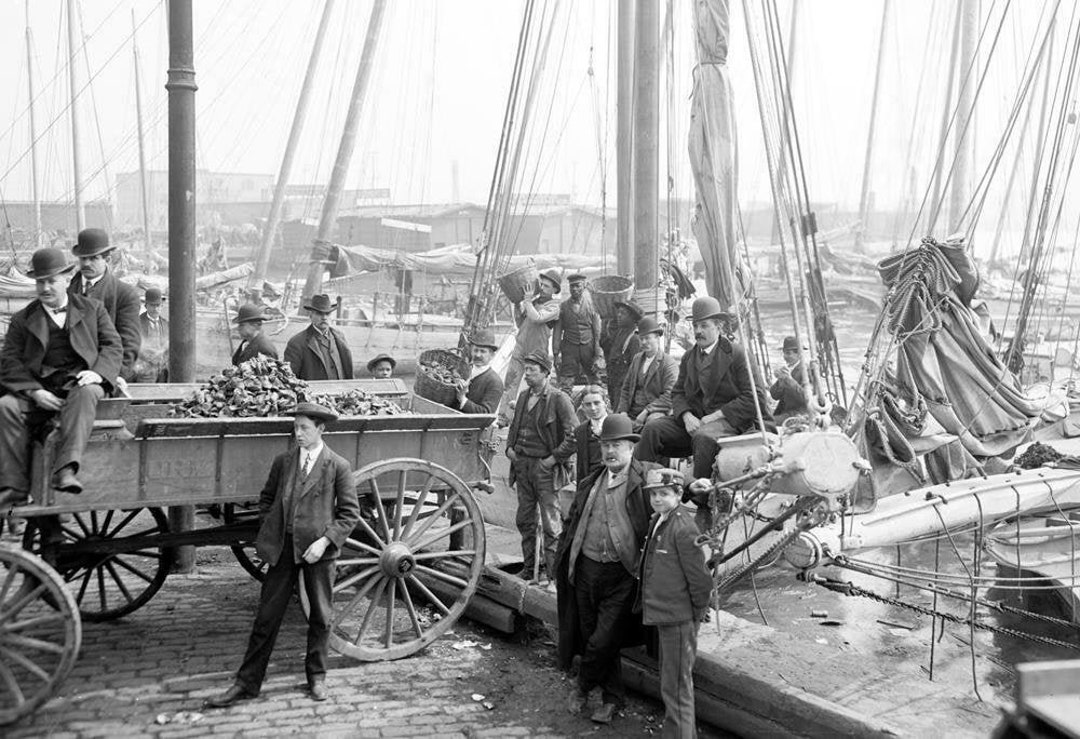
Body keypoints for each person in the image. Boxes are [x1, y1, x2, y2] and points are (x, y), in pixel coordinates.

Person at [205, 402, 360, 708]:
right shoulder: (284, 461)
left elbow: (349, 514)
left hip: (318, 553)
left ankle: (317, 676)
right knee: (266, 617)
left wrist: (325, 542)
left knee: (320, 615)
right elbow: (266, 498)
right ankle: (247, 683)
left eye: (304, 428)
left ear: (321, 429)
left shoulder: (337, 466)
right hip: (283, 550)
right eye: (295, 427)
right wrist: (271, 527)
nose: (298, 433)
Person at [556, 414, 660, 725]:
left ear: (631, 448)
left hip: (622, 575)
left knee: (603, 639)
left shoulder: (646, 482)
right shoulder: (590, 482)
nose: (610, 452)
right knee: (596, 639)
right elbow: (571, 524)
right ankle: (612, 699)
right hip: (586, 570)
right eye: (605, 446)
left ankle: (583, 686)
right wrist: (561, 560)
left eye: (616, 445)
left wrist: (698, 487)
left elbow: (676, 493)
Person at [0, 247, 123, 505]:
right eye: (40, 282)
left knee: (88, 391)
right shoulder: (22, 320)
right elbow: (9, 360)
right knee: (6, 406)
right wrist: (34, 391)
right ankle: (15, 486)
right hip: (40, 393)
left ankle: (66, 469)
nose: (45, 288)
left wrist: (98, 374)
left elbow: (113, 346)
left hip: (80, 386)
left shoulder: (92, 309)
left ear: (67, 279)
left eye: (51, 281)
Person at [636, 297, 772, 480]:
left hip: (733, 423)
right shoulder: (688, 358)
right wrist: (686, 416)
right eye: (696, 326)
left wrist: (715, 416)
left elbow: (755, 397)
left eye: (704, 326)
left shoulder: (737, 354)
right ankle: (639, 488)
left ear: (719, 326)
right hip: (695, 422)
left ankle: (703, 502)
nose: (698, 331)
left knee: (703, 437)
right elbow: (678, 393)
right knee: (652, 429)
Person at [637, 468, 713, 739]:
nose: (657, 499)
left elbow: (701, 580)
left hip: (679, 619)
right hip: (666, 615)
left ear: (679, 494)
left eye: (664, 494)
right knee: (672, 684)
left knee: (677, 687)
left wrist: (694, 616)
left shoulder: (682, 527)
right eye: (654, 494)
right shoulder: (660, 519)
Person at [505, 351, 576, 582]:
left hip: (545, 469)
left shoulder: (559, 399)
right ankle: (530, 568)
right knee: (525, 520)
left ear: (546, 372)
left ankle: (554, 579)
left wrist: (553, 459)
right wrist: (509, 449)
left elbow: (574, 436)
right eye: (525, 369)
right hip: (522, 466)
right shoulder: (524, 396)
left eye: (531, 370)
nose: (526, 374)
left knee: (551, 525)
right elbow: (515, 426)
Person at [67, 228, 141, 384]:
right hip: (68, 374)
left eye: (94, 258)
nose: (86, 263)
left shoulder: (124, 294)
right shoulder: (66, 291)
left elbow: (129, 342)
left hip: (105, 374)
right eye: (83, 258)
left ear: (107, 260)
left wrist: (113, 376)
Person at [498, 269, 562, 425]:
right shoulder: (533, 302)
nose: (543, 288)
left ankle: (534, 419)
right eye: (542, 284)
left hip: (536, 353)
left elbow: (537, 318)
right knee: (510, 382)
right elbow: (521, 324)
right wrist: (517, 305)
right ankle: (504, 417)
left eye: (547, 286)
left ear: (555, 290)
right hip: (520, 347)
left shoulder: (554, 307)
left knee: (534, 385)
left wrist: (527, 301)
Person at [616, 316, 678, 430]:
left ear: (657, 338)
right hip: (632, 410)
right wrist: (623, 411)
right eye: (641, 338)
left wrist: (646, 411)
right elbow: (626, 388)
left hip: (655, 412)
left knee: (652, 423)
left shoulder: (668, 363)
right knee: (614, 423)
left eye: (648, 338)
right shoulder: (637, 359)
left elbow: (670, 395)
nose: (644, 342)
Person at [284, 294, 353, 380]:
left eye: (327, 314)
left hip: (341, 391)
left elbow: (348, 370)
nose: (324, 318)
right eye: (319, 313)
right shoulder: (297, 343)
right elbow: (289, 379)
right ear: (311, 315)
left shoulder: (339, 337)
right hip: (313, 392)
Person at [552, 274, 602, 391]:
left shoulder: (592, 306)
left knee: (595, 380)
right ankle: (565, 407)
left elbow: (597, 331)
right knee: (566, 382)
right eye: (572, 286)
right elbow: (557, 332)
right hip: (569, 348)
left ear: (584, 286)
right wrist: (556, 354)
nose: (574, 289)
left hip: (588, 347)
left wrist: (598, 354)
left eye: (577, 286)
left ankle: (599, 404)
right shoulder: (563, 307)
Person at [554, 385, 609, 487]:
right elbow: (568, 448)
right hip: (590, 482)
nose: (593, 408)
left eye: (597, 403)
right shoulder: (581, 431)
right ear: (583, 407)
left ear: (606, 403)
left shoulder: (619, 425)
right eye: (588, 404)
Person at [453, 328, 504, 414]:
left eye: (483, 351)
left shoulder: (495, 382)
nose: (478, 355)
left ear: (492, 355)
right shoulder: (462, 371)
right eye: (475, 350)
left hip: (471, 426)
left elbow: (486, 413)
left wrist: (462, 399)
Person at [600, 301, 642, 404]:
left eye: (623, 313)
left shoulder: (634, 339)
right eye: (618, 312)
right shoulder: (620, 332)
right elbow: (606, 346)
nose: (618, 315)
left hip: (624, 384)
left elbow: (635, 368)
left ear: (633, 318)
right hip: (614, 380)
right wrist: (604, 324)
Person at [770, 335, 809, 423]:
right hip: (785, 413)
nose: (785, 356)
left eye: (788, 353)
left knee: (764, 423)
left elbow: (806, 398)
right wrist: (780, 380)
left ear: (799, 354)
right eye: (784, 353)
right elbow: (774, 396)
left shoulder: (808, 371)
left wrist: (788, 379)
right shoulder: (788, 369)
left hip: (800, 414)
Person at [135, 287, 169, 383]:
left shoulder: (166, 324)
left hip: (162, 369)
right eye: (152, 305)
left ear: (162, 306)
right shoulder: (137, 323)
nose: (156, 309)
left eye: (158, 305)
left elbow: (168, 345)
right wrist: (148, 358)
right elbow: (134, 344)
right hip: (144, 369)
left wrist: (162, 354)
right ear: (146, 306)